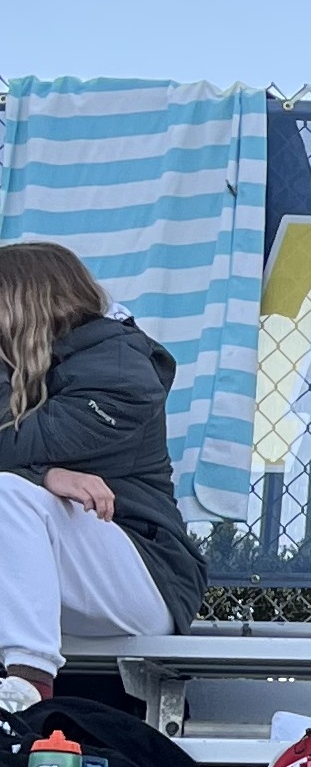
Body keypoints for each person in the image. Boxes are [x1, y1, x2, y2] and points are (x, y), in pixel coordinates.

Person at [0, 241, 208, 712]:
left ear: (24, 303)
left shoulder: (121, 367)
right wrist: (48, 475)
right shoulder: (18, 366)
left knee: (6, 493)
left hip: (144, 576)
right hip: (57, 585)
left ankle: (29, 681)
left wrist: (33, 474)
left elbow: (35, 441)